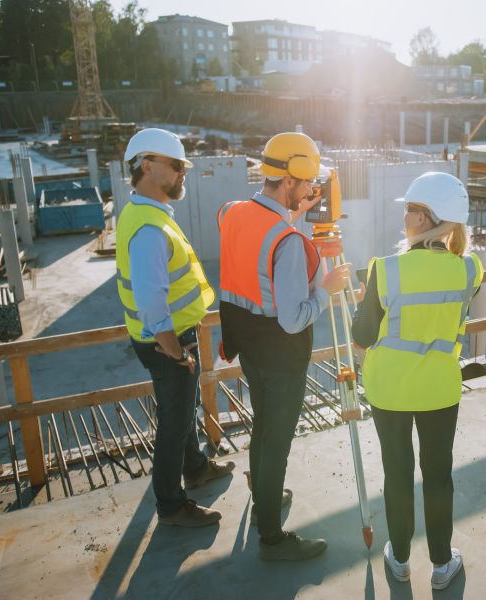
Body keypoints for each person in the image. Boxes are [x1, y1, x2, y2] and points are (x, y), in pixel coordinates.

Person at [217, 132, 351, 561]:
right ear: (291, 177)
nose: (314, 189)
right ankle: (272, 538)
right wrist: (327, 290)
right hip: (280, 355)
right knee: (276, 442)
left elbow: (262, 245)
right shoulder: (290, 242)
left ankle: (265, 502)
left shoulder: (232, 212)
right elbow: (294, 318)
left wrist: (293, 216)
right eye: (309, 182)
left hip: (247, 347)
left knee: (263, 430)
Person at [352, 172, 483, 590]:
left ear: (425, 218)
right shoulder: (469, 270)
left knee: (398, 471)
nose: (404, 215)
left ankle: (401, 558)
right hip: (441, 389)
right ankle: (443, 564)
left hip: (389, 391)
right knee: (439, 473)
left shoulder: (385, 270)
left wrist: (364, 301)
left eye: (409, 208)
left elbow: (362, 336)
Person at [115, 128, 235, 528]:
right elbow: (151, 301)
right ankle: (170, 505)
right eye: (177, 166)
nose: (184, 172)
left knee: (183, 412)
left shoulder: (146, 214)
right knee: (174, 422)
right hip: (167, 344)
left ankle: (196, 466)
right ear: (147, 167)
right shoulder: (150, 228)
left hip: (169, 340)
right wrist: (174, 350)